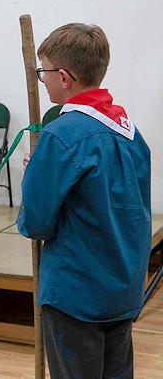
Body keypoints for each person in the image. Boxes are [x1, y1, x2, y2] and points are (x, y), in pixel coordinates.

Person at [17, 23, 151, 378]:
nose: (41, 79)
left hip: (76, 293)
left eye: (43, 71)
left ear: (64, 77)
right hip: (122, 287)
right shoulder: (129, 131)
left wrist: (36, 175)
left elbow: (36, 223)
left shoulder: (61, 135)